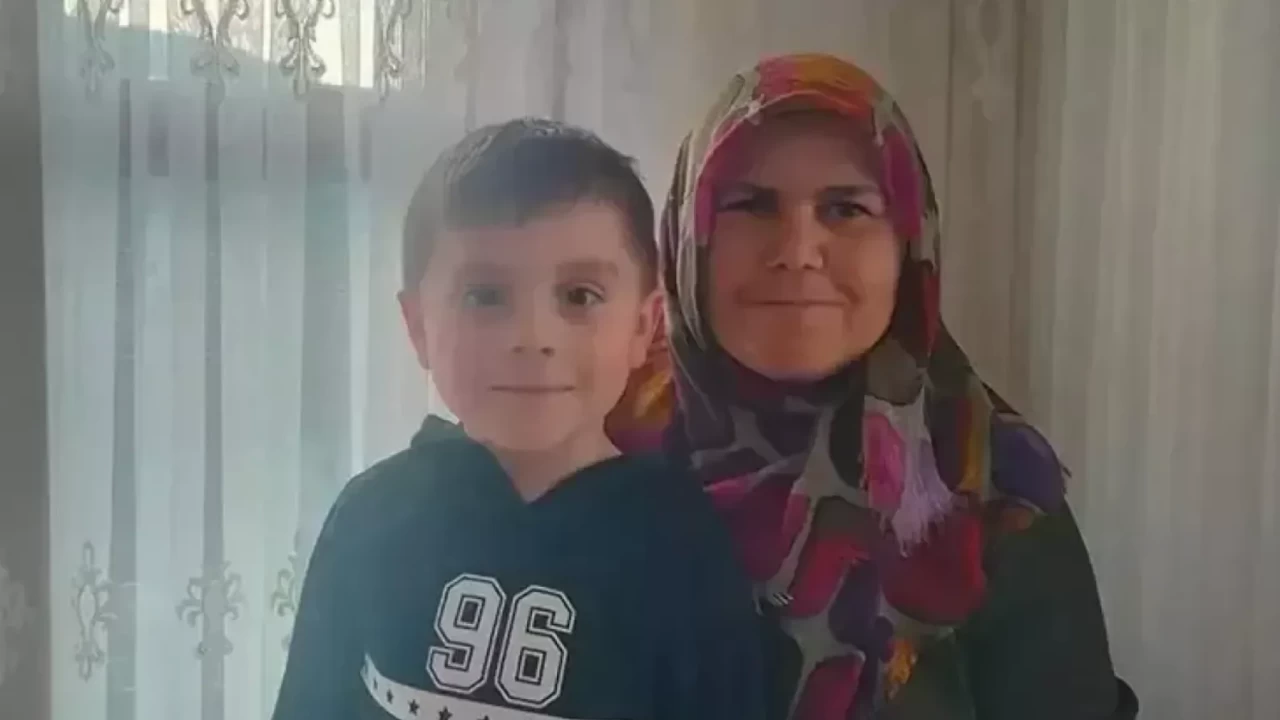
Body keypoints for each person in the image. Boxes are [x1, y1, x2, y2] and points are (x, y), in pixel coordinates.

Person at [607, 54, 1140, 720]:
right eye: (752, 204)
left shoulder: (991, 486)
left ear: (908, 245)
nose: (798, 250)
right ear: (689, 239)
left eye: (845, 208)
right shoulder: (594, 449)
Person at [272, 118, 764, 720]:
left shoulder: (685, 547)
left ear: (644, 327)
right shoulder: (370, 514)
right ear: (419, 327)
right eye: (484, 296)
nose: (532, 337)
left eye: (579, 295)